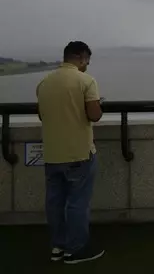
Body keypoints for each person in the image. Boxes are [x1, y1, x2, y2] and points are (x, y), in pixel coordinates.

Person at [36, 41, 105, 264]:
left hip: (52, 153)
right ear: (81, 57)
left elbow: (42, 115)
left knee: (55, 201)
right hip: (79, 153)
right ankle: (76, 249)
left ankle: (58, 246)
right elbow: (94, 115)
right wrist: (98, 104)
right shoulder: (86, 81)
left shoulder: (44, 82)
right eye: (87, 60)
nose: (87, 65)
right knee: (77, 202)